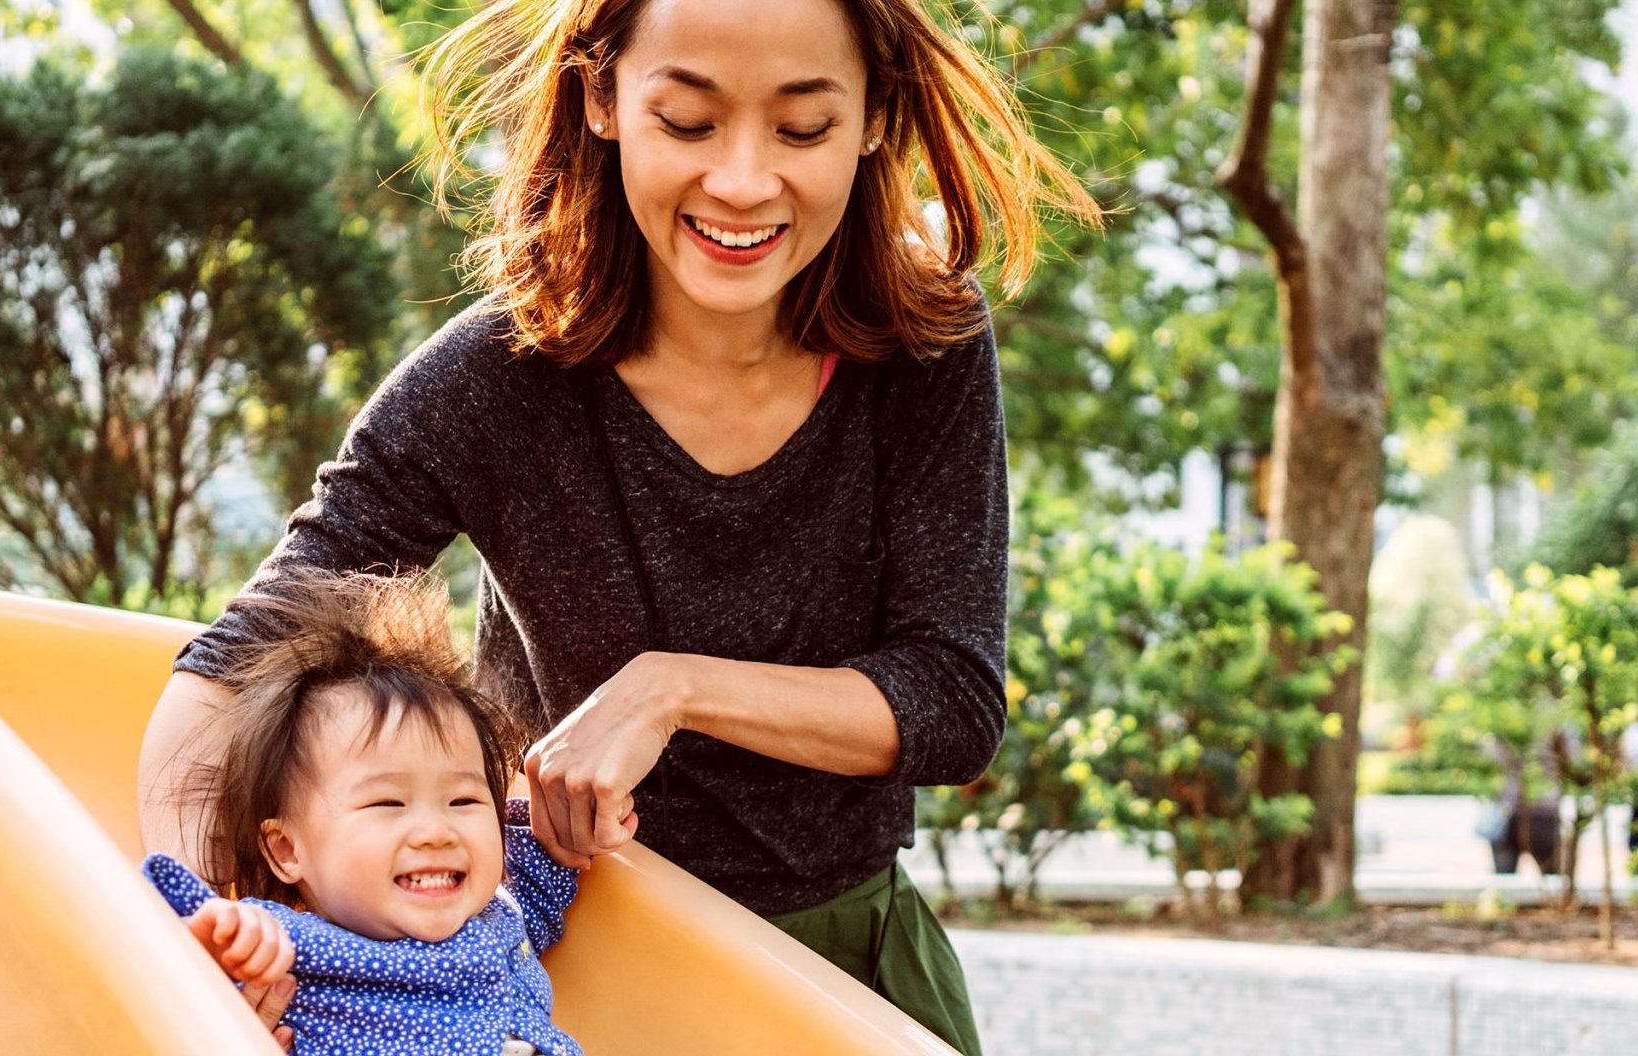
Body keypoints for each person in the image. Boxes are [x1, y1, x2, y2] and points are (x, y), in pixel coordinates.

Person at [136, 0, 1096, 1050]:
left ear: (873, 118)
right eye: (686, 122)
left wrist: (670, 689)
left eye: (802, 127)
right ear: (602, 99)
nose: (741, 180)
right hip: (572, 975)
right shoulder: (495, 379)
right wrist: (203, 942)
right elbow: (239, 655)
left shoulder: (925, 346)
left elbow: (950, 700)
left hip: (842, 968)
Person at [148, 572, 581, 1056]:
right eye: (387, 804)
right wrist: (220, 949)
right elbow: (196, 981)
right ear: (288, 850)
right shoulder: (287, 947)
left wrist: (570, 830)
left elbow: (540, 870)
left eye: (464, 801)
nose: (437, 831)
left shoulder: (500, 911)